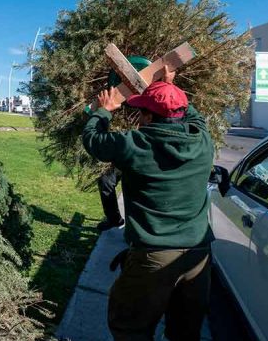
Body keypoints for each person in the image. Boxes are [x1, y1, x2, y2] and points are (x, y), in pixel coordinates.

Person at [82, 66, 214, 341]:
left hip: (154, 257)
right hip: (198, 256)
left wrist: (104, 111)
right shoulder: (203, 141)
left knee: (131, 328)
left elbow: (93, 140)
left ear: (150, 117)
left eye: (142, 112)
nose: (139, 118)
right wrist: (170, 88)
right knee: (185, 333)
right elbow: (192, 115)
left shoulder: (135, 145)